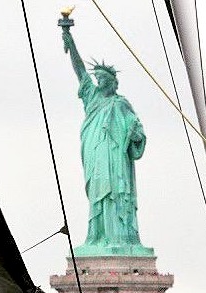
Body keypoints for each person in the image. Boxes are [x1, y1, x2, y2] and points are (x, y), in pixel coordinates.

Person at [62, 25, 150, 254]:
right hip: (95, 151)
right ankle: (97, 237)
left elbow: (136, 130)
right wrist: (70, 40)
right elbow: (80, 71)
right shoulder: (91, 96)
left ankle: (121, 238)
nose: (99, 81)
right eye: (97, 78)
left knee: (116, 191)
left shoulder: (121, 104)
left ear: (113, 82)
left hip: (115, 157)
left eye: (103, 78)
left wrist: (136, 136)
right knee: (98, 192)